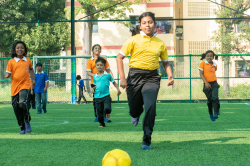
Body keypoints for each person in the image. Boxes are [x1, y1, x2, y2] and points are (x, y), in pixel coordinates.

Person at [116, 12, 174, 150]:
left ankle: (146, 139)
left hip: (152, 77)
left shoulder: (160, 43)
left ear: (155, 24)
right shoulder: (133, 40)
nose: (147, 25)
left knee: (151, 107)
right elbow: (119, 57)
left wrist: (170, 76)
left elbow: (165, 63)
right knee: (134, 108)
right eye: (144, 22)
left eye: (150, 22)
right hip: (134, 76)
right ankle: (135, 114)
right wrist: (123, 78)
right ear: (140, 25)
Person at [5, 41, 35, 134]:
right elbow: (8, 74)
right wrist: (7, 75)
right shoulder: (11, 61)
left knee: (22, 102)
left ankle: (27, 118)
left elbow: (31, 69)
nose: (20, 49)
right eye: (18, 48)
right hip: (14, 87)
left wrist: (33, 79)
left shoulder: (28, 60)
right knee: (16, 108)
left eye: (22, 47)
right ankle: (22, 128)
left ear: (25, 49)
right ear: (15, 49)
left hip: (25, 85)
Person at [86, 44, 115, 122]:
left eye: (99, 48)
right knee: (96, 100)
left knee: (105, 99)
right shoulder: (89, 61)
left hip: (104, 82)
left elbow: (108, 70)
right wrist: (97, 76)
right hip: (95, 83)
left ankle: (105, 116)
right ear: (92, 50)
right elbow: (88, 72)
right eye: (96, 48)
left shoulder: (104, 59)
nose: (97, 49)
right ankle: (97, 117)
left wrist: (112, 78)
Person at [91, 57, 121, 127]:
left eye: (101, 65)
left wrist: (118, 89)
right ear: (95, 66)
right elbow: (95, 85)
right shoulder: (95, 76)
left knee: (107, 108)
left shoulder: (108, 75)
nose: (99, 66)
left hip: (106, 95)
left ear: (104, 66)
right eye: (98, 65)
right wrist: (93, 89)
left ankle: (108, 112)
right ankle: (102, 123)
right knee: (99, 112)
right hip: (97, 96)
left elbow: (114, 82)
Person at [199, 50, 220, 121]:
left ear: (213, 57)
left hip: (214, 83)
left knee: (215, 97)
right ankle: (211, 113)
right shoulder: (202, 64)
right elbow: (201, 74)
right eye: (207, 56)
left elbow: (213, 72)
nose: (209, 57)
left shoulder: (214, 64)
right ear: (205, 57)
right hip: (206, 84)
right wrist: (206, 83)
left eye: (211, 56)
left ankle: (216, 113)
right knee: (210, 100)